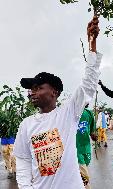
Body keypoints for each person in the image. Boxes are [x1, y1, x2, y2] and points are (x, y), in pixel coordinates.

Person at [13, 16, 102, 189]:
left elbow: (89, 83)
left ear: (54, 92)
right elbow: (23, 160)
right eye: (31, 89)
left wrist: (92, 44)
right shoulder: (26, 125)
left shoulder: (68, 113)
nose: (32, 92)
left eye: (38, 88)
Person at [76, 105, 96, 189]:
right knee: (85, 175)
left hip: (86, 147)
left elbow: (92, 130)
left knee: (84, 169)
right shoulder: (73, 112)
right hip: (76, 148)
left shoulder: (89, 113)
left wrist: (94, 135)